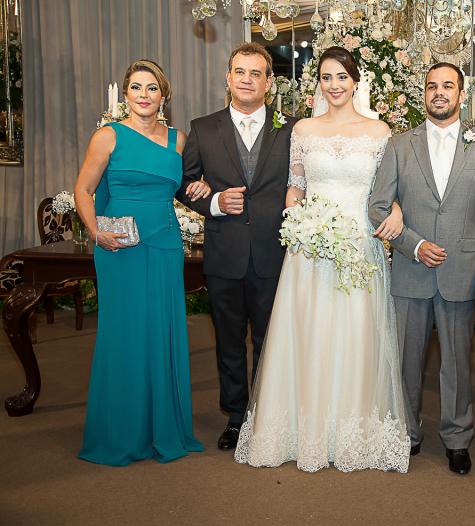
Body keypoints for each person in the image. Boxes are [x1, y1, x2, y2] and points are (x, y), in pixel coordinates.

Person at [234, 46, 410, 473]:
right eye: (327, 77)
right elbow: (295, 187)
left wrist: (397, 213)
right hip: (309, 248)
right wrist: (299, 220)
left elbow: (389, 190)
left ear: (356, 82)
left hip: (359, 244)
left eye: (342, 77)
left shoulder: (378, 132)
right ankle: (303, 430)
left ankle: (351, 432)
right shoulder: (304, 130)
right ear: (319, 84)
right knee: (309, 331)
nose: (334, 85)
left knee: (355, 332)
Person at [369, 63, 475, 475]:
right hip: (410, 272)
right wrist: (413, 244)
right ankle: (407, 433)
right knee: (406, 363)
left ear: (462, 94)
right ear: (424, 93)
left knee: (457, 365)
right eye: (432, 86)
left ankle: (457, 438)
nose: (439, 92)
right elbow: (378, 206)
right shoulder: (399, 145)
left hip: (461, 272)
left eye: (448, 86)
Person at [74, 59, 209, 466]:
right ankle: (122, 431)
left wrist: (200, 185)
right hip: (119, 248)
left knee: (161, 332)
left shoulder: (178, 140)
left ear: (164, 95)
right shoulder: (108, 136)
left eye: (152, 88)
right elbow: (83, 190)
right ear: (127, 94)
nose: (144, 95)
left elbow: (187, 184)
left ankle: (162, 427)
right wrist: (96, 232)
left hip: (164, 244)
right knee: (125, 334)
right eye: (136, 87)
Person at [176, 43, 297, 451]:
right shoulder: (203, 128)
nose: (247, 80)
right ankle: (235, 416)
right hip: (225, 253)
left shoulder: (291, 129)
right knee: (228, 341)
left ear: (269, 83)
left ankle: (267, 413)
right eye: (240, 72)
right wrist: (213, 202)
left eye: (256, 73)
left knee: (270, 340)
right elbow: (184, 183)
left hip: (273, 253)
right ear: (228, 78)